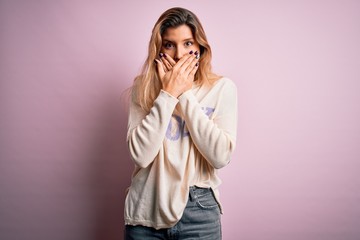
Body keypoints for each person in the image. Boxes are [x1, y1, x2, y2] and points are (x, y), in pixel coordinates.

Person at [124, 7, 237, 240]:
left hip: (199, 209)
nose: (178, 55)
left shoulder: (222, 88)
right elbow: (141, 155)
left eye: (187, 44)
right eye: (169, 44)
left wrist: (183, 94)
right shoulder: (142, 88)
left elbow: (220, 156)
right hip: (146, 208)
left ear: (200, 47)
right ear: (158, 49)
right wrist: (167, 94)